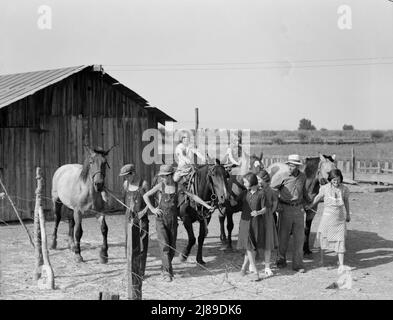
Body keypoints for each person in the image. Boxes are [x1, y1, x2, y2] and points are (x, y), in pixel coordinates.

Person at [143, 164, 213, 282]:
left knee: (172, 247)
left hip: (173, 221)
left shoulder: (178, 186)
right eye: (162, 176)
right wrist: (153, 209)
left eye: (165, 176)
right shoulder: (161, 186)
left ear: (170, 176)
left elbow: (193, 196)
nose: (163, 178)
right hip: (161, 220)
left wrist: (206, 205)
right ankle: (167, 273)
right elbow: (146, 195)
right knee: (165, 245)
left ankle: (165, 266)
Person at [270, 154, 313, 273]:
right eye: (289, 165)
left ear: (297, 167)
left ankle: (298, 265)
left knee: (299, 238)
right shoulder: (282, 176)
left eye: (292, 165)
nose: (290, 167)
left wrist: (309, 201)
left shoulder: (303, 177)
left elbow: (303, 191)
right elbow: (272, 189)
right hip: (285, 209)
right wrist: (276, 204)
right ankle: (281, 260)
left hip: (299, 210)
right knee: (283, 237)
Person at [305, 169, 351, 273]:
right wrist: (311, 205)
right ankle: (322, 260)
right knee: (323, 238)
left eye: (338, 180)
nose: (336, 182)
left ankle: (341, 264)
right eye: (334, 180)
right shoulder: (325, 188)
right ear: (330, 179)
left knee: (340, 240)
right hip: (327, 218)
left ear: (341, 179)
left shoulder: (344, 189)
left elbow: (346, 201)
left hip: (339, 219)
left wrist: (348, 214)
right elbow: (318, 197)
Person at [234, 172, 268, 281]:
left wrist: (258, 212)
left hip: (256, 223)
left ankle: (243, 268)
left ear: (252, 182)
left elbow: (265, 209)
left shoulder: (261, 194)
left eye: (245, 182)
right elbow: (234, 202)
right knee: (249, 246)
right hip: (245, 223)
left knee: (251, 247)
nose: (243, 183)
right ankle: (255, 271)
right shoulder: (244, 193)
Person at [120, 164, 150, 279]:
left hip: (141, 218)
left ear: (133, 173)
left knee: (142, 245)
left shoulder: (144, 184)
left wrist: (144, 211)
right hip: (129, 218)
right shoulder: (125, 184)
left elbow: (150, 202)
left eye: (127, 176)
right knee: (129, 244)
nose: (125, 179)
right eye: (124, 177)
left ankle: (140, 272)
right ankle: (130, 269)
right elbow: (122, 197)